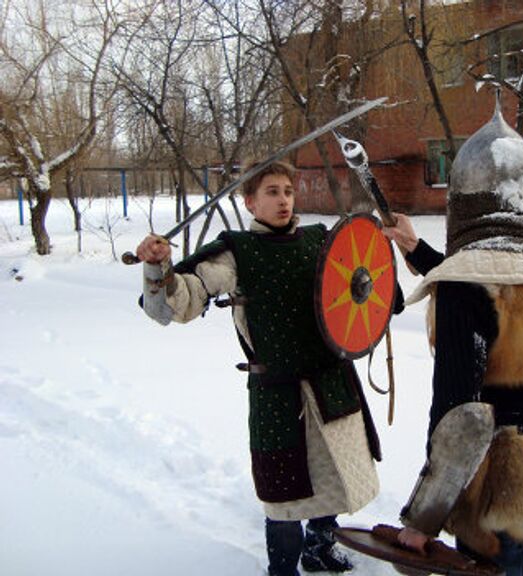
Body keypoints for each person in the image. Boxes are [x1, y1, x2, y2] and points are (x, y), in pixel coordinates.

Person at [136, 160, 401, 576]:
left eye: (288, 191)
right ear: (250, 201)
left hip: (330, 381)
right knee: (285, 492)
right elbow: (181, 301)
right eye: (272, 192)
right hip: (279, 393)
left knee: (329, 476)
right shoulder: (235, 253)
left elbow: (362, 284)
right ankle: (282, 569)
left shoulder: (319, 240)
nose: (283, 200)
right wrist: (158, 267)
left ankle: (320, 548)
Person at [382, 103, 523, 576]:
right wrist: (415, 248)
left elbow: (460, 416)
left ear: (466, 201)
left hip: (499, 480)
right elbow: (493, 284)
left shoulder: (466, 288)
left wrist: (424, 518)